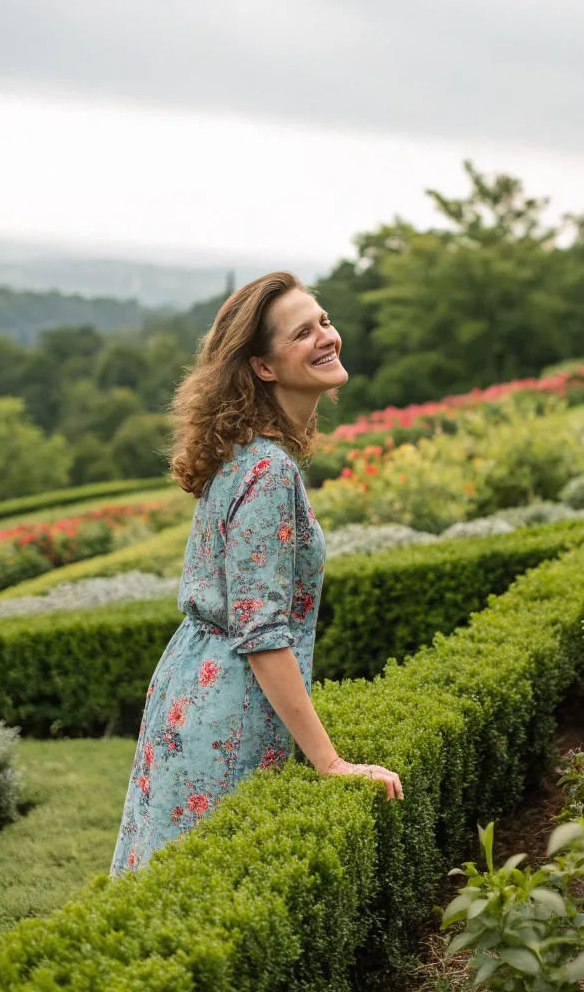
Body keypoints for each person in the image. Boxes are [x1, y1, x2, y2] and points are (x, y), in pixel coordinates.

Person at [110, 270, 403, 877]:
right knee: (201, 884)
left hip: (195, 683)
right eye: (303, 332)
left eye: (323, 321)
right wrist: (331, 763)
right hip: (228, 705)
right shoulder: (268, 470)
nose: (327, 336)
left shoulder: (251, 453)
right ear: (264, 367)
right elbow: (262, 632)